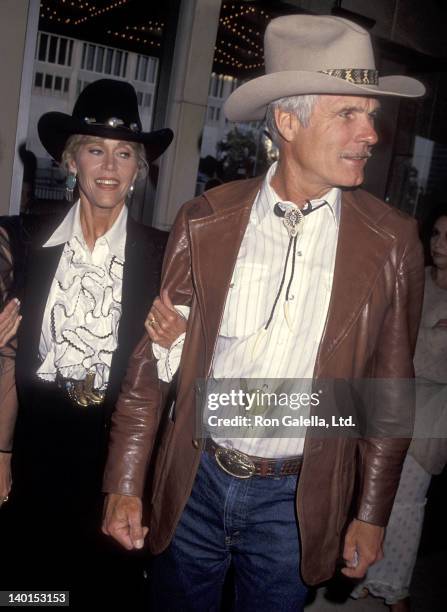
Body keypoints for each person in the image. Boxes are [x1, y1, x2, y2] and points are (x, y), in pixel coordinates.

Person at [102, 15, 426, 611]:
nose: (370, 134)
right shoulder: (205, 220)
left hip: (298, 501)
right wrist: (125, 484)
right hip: (194, 479)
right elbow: (155, 363)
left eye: (371, 116)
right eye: (347, 114)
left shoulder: (392, 241)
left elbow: (388, 392)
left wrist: (371, 513)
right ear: (287, 121)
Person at [0, 79, 186, 608]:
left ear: (139, 170)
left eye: (125, 153)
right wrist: (0, 451)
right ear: (71, 161)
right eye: (95, 150)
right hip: (35, 445)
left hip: (116, 455)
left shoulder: (165, 256)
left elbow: (175, 379)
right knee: (28, 591)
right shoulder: (23, 242)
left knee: (104, 591)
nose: (109, 166)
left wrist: (178, 342)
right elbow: (7, 357)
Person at [351, 208, 447, 611]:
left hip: (428, 420)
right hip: (386, 408)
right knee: (370, 501)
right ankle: (365, 578)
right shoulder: (416, 279)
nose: (439, 244)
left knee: (405, 510)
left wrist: (414, 347)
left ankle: (396, 593)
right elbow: (384, 342)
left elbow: (422, 360)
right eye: (437, 233)